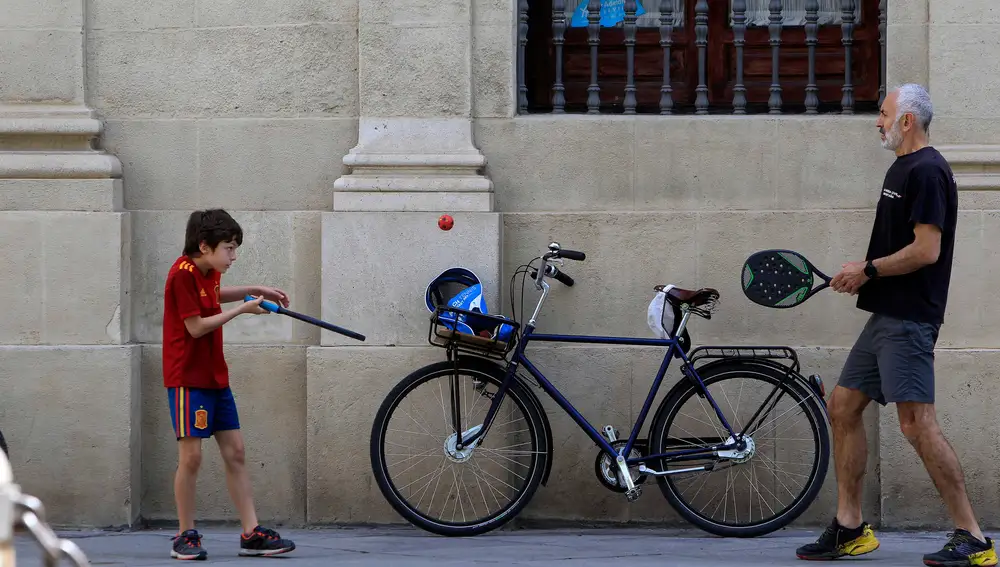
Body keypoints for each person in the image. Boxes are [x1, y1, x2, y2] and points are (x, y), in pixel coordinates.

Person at [794, 84, 996, 566]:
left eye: (883, 114)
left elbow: (927, 250)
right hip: (886, 313)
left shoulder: (928, 170)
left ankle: (973, 538)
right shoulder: (900, 167)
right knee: (842, 407)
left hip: (910, 319)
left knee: (916, 424)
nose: (877, 122)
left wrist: (868, 269)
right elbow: (896, 248)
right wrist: (865, 272)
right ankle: (850, 528)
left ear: (908, 120)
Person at [162, 209, 296, 560]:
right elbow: (195, 326)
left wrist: (253, 290)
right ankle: (184, 534)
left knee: (235, 452)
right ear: (204, 246)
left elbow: (214, 296)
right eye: (229, 248)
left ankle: (251, 533)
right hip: (187, 380)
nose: (233, 256)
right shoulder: (181, 275)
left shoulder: (209, 271)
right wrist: (243, 310)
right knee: (190, 457)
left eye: (235, 248)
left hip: (215, 378)